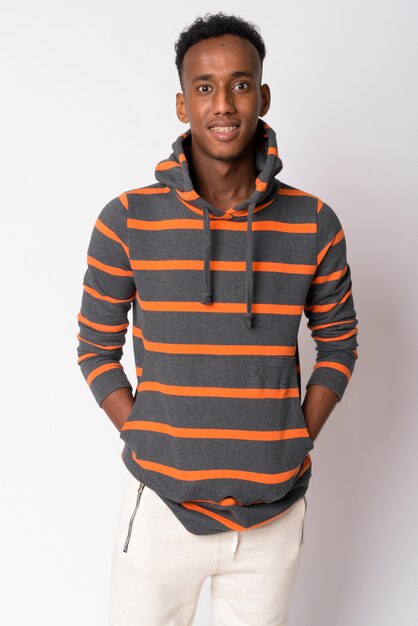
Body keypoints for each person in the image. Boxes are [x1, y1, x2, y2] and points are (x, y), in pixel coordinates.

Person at [77, 12, 359, 626]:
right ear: (182, 105)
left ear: (263, 95)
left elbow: (339, 347)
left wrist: (295, 435)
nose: (223, 103)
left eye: (239, 83)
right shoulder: (126, 220)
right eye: (204, 87)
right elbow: (95, 351)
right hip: (159, 513)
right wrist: (143, 434)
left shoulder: (313, 223)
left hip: (274, 519)